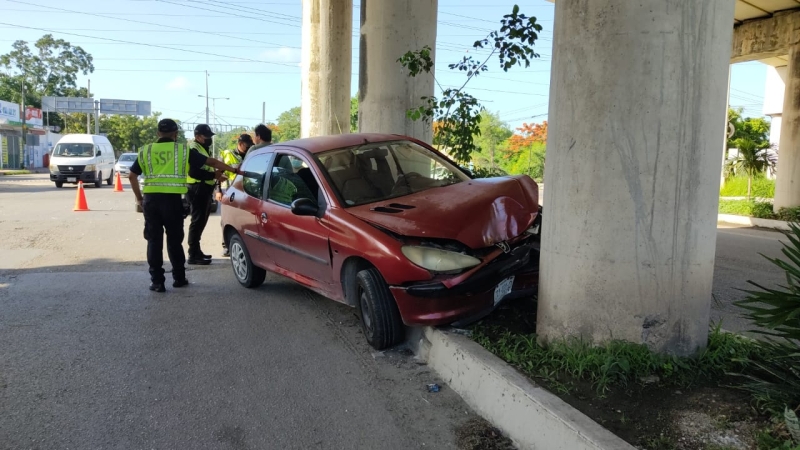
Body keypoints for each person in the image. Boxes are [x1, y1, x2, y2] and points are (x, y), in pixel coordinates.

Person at [128, 118, 241, 293]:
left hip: (151, 202)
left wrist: (139, 198)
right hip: (172, 202)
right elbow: (210, 162)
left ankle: (157, 282)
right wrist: (233, 170)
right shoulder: (182, 150)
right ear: (175, 134)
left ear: (158, 133)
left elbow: (132, 176)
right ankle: (179, 278)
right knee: (174, 241)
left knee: (154, 241)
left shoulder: (145, 150)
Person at [185, 124, 224, 265]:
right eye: (206, 136)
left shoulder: (203, 148)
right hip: (196, 188)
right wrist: (214, 175)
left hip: (203, 188)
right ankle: (193, 254)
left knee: (201, 221)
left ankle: (197, 251)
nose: (209, 139)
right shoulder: (194, 149)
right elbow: (194, 172)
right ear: (197, 137)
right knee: (197, 222)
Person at [218, 133, 253, 257]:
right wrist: (217, 191)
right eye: (247, 145)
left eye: (250, 145)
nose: (249, 147)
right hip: (228, 189)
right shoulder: (227, 154)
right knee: (226, 219)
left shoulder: (250, 154)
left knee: (242, 218)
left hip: (244, 190)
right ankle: (226, 246)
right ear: (240, 144)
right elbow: (218, 172)